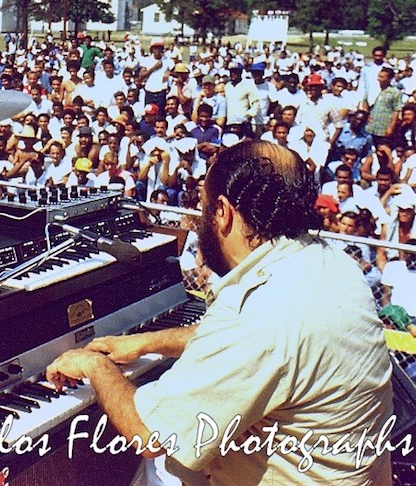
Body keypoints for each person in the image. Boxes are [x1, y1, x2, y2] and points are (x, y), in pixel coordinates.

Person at [47, 141, 392, 484]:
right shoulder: (330, 262)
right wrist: (148, 341)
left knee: (151, 469)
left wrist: (96, 365)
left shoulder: (255, 315)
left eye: (204, 207)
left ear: (223, 212)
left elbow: (149, 434)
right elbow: (268, 346)